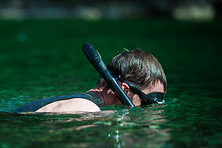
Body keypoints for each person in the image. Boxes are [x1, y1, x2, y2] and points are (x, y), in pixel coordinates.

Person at [15, 48, 167, 113]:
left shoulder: (83, 102)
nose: (153, 106)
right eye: (151, 100)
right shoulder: (87, 108)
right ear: (126, 90)